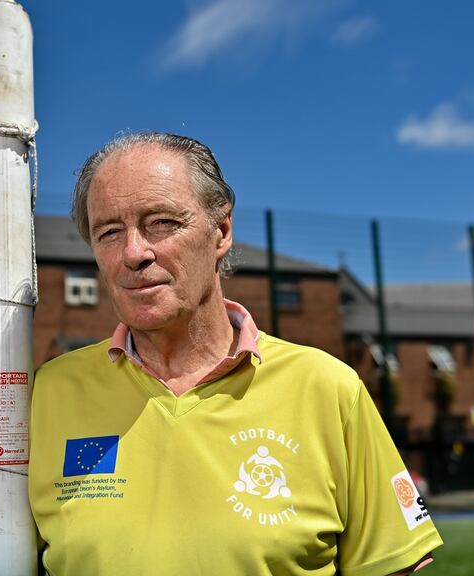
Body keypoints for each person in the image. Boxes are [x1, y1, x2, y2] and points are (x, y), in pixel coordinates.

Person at [28, 133, 442, 575]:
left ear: (221, 232)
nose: (134, 253)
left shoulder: (327, 387)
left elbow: (391, 567)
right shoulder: (47, 393)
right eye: (109, 232)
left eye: (162, 223)